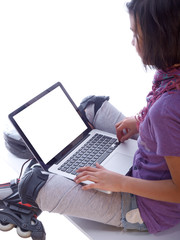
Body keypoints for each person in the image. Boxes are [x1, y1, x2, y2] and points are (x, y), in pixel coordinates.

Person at [0, 0, 180, 237]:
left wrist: (117, 182)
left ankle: (40, 176)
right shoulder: (170, 75)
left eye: (136, 35)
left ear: (162, 38)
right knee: (92, 107)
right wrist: (140, 120)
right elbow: (164, 113)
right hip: (148, 160)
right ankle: (57, 153)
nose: (132, 41)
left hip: (146, 207)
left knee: (35, 184)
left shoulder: (166, 110)